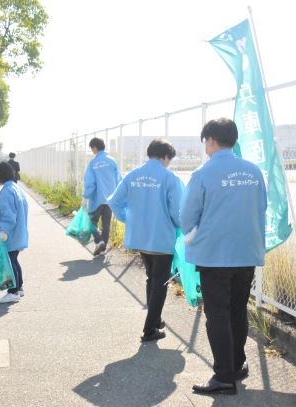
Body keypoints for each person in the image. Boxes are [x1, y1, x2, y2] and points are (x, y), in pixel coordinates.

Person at [181, 118, 267, 395]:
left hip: (215, 255)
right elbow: (261, 208)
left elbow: (187, 218)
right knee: (237, 310)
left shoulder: (203, 174)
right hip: (246, 253)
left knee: (217, 314)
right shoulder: (254, 172)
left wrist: (193, 239)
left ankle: (223, 377)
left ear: (210, 140)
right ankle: (237, 365)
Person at [108, 139, 182, 342]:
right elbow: (177, 212)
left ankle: (155, 319)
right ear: (166, 157)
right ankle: (150, 329)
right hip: (161, 237)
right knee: (160, 282)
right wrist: (181, 226)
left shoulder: (133, 175)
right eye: (169, 159)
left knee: (152, 278)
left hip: (139, 237)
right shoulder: (169, 177)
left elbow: (114, 201)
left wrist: (127, 218)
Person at [0, 162, 29, 304]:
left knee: (10, 263)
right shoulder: (16, 188)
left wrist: (3, 231)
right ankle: (19, 288)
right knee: (14, 260)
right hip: (18, 233)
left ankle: (12, 292)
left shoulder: (6, 191)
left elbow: (9, 216)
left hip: (10, 235)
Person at [83, 137, 122, 256]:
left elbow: (90, 183)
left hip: (97, 199)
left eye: (91, 148)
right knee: (106, 224)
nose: (92, 151)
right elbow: (119, 180)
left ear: (94, 147)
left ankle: (99, 242)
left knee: (91, 222)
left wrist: (85, 197)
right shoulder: (112, 161)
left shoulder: (93, 163)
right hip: (110, 199)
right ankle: (102, 248)